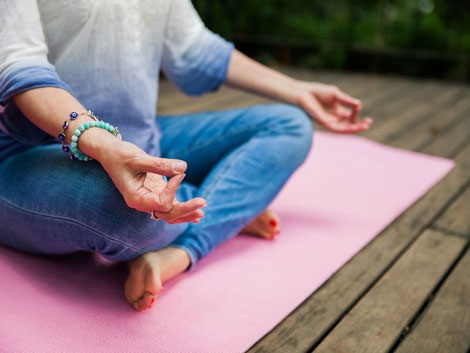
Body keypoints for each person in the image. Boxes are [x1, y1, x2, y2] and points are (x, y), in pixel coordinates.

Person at [0, 0, 372, 311]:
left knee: (288, 125)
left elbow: (194, 49)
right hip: (29, 155)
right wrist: (105, 145)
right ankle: (231, 206)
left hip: (141, 143)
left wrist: (297, 91)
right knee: (124, 211)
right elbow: (20, 69)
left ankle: (177, 252)